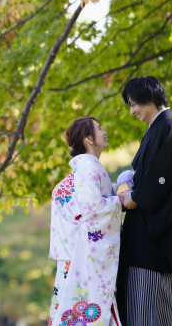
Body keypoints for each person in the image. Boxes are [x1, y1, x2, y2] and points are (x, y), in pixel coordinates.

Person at [116, 76, 172, 326]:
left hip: (156, 240)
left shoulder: (170, 127)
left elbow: (162, 177)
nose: (132, 111)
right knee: (139, 311)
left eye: (135, 104)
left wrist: (135, 197)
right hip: (142, 236)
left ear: (151, 98)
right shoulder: (157, 129)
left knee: (154, 312)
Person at [48, 117, 123, 326]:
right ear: (88, 138)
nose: (104, 131)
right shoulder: (88, 169)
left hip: (74, 254)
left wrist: (116, 190)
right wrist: (122, 202)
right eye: (99, 128)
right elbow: (93, 209)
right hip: (81, 257)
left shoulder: (86, 169)